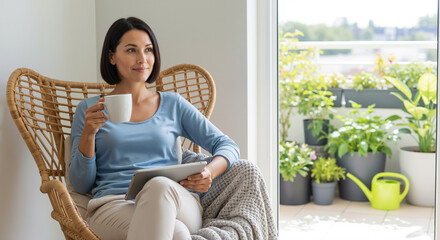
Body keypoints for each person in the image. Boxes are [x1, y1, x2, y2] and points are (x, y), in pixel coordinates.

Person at [69, 17, 240, 240]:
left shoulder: (173, 104)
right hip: (113, 205)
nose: (142, 59)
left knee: (159, 186)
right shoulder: (89, 110)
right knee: (177, 233)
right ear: (112, 56)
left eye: (148, 50)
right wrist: (88, 134)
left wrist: (209, 172)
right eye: (131, 50)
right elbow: (80, 184)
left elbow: (227, 145)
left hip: (178, 201)